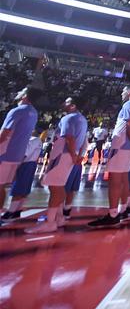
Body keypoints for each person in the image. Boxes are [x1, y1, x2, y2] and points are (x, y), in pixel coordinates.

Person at [89, 84, 130, 228]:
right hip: (129, 147)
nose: (122, 93)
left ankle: (113, 214)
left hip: (122, 145)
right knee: (124, 178)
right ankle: (122, 210)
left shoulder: (129, 104)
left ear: (129, 92)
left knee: (114, 180)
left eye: (123, 90)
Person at [24, 97, 87, 233]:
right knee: (59, 186)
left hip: (62, 154)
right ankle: (59, 217)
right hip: (69, 155)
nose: (64, 103)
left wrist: (73, 155)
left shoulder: (68, 118)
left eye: (67, 102)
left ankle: (50, 222)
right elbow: (82, 141)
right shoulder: (82, 119)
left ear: (73, 106)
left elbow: (69, 138)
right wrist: (77, 156)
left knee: (54, 187)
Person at [0, 87, 40, 215]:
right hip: (17, 155)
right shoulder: (34, 112)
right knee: (2, 186)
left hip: (4, 153)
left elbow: (5, 133)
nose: (18, 92)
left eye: (21, 91)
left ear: (25, 96)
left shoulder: (16, 111)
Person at [2, 126, 44, 223]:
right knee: (23, 189)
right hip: (30, 164)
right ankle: (17, 211)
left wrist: (15, 168)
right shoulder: (36, 140)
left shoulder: (32, 139)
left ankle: (11, 212)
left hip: (25, 164)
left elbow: (24, 154)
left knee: (18, 189)